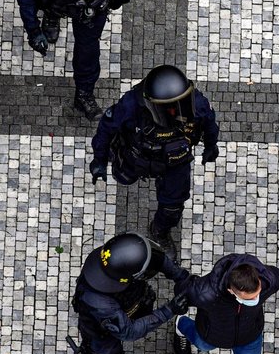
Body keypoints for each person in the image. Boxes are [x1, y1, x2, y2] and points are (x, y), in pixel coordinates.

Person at [90, 65, 220, 245]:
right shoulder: (130, 105)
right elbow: (106, 128)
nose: (176, 113)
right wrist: (100, 159)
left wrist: (211, 146)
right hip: (137, 156)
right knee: (124, 177)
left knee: (173, 206)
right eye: (169, 109)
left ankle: (160, 232)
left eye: (180, 105)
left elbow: (209, 124)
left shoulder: (198, 104)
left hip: (176, 162)